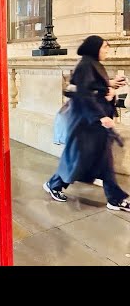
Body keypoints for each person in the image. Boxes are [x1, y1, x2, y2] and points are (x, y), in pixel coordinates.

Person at [44, 35, 130, 212]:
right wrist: (100, 116)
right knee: (80, 159)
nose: (107, 50)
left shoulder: (92, 63)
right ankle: (54, 184)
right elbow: (84, 94)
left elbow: (92, 87)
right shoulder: (85, 65)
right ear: (95, 48)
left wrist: (110, 85)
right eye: (104, 47)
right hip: (87, 124)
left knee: (103, 160)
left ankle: (114, 198)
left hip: (92, 123)